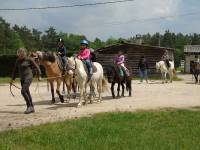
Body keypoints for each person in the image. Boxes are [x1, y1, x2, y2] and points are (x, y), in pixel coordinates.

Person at [10, 48, 41, 114]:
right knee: (27, 92)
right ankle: (32, 107)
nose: (20, 55)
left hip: (29, 77)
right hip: (22, 79)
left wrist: (39, 75)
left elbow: (37, 67)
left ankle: (29, 106)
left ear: (24, 54)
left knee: (23, 91)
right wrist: (12, 79)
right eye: (19, 54)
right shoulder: (17, 60)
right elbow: (15, 71)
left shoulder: (29, 59)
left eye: (22, 54)